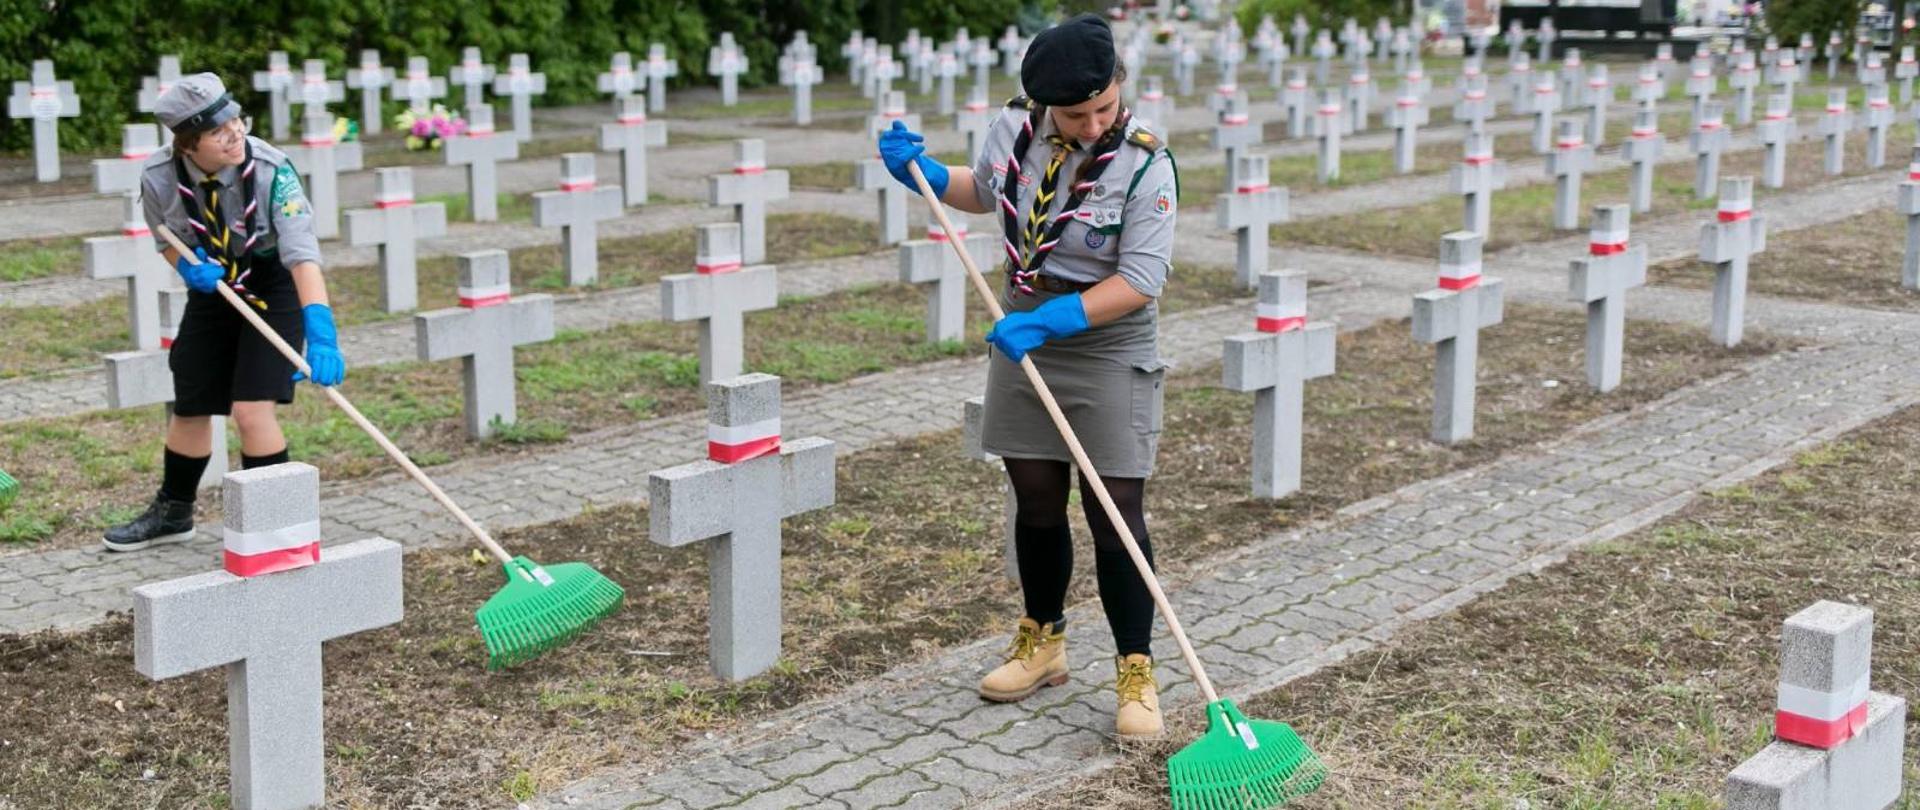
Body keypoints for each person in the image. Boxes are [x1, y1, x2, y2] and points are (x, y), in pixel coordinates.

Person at [878, 13, 1180, 739]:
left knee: (1115, 510)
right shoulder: (1013, 131)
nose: (1091, 125)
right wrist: (919, 171)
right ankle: (1042, 640)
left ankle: (1135, 670)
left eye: (1105, 107)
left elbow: (1140, 279)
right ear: (1044, 105)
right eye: (1075, 115)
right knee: (1036, 498)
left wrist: (1049, 322)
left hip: (1104, 341)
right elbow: (985, 192)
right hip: (1024, 328)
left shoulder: (1145, 163)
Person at [102, 72, 345, 552]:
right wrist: (188, 268)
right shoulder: (159, 177)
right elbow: (167, 240)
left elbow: (301, 255)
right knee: (192, 400)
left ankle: (280, 528)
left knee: (251, 409)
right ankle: (174, 512)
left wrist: (321, 328)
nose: (236, 134)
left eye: (237, 121)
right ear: (189, 145)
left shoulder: (274, 171)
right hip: (214, 288)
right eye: (219, 132)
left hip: (273, 283)